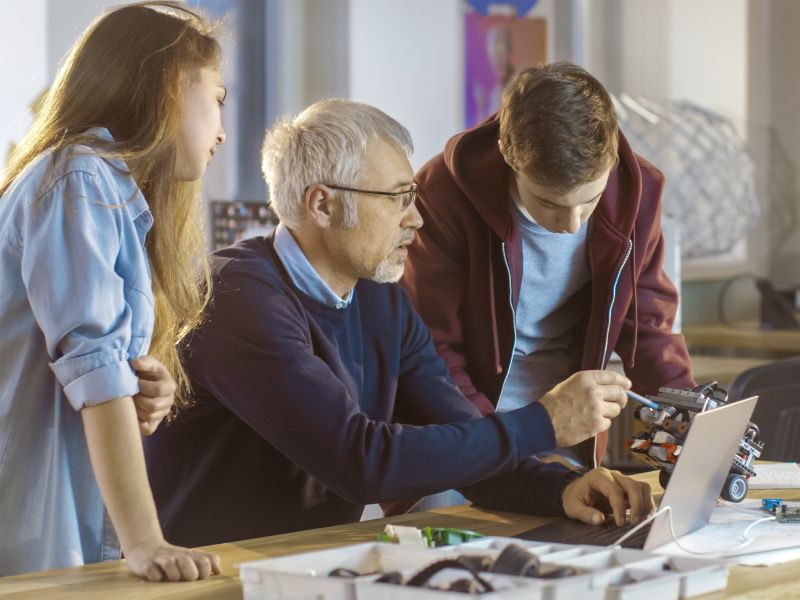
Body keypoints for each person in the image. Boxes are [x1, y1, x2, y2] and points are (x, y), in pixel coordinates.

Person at [143, 99, 652, 549]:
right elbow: (359, 463)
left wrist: (561, 488)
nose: (417, 219)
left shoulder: (381, 300)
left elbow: (460, 440)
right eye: (398, 198)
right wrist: (542, 422)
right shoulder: (237, 297)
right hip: (206, 579)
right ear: (322, 203)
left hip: (310, 567)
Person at [0, 2, 226, 580]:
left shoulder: (103, 186)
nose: (222, 130)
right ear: (173, 85)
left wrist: (135, 391)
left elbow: (97, 376)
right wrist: (146, 542)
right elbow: (94, 371)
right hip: (30, 527)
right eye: (218, 99)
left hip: (55, 520)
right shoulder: (80, 176)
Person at [402, 62, 695, 468]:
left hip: (569, 432)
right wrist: (500, 453)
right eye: (549, 204)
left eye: (589, 202)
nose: (571, 225)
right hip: (459, 435)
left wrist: (692, 427)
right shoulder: (441, 196)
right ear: (507, 154)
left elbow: (648, 330)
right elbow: (432, 350)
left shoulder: (639, 192)